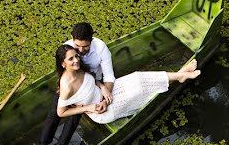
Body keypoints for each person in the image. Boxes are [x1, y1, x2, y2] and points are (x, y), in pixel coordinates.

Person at [54, 45, 200, 126]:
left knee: (137, 77)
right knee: (138, 90)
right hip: (101, 110)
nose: (76, 60)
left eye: (76, 56)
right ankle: (180, 75)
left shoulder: (78, 69)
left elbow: (91, 81)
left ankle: (179, 75)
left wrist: (103, 87)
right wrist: (87, 108)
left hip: (105, 93)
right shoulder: (67, 86)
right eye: (71, 59)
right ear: (63, 63)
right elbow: (61, 112)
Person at [34, 22, 116, 145]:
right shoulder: (68, 48)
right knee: (54, 111)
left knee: (74, 115)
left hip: (92, 82)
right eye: (77, 46)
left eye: (85, 46)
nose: (80, 50)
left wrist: (104, 95)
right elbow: (62, 70)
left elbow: (109, 76)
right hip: (70, 83)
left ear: (91, 40)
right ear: (72, 38)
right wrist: (63, 88)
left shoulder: (101, 49)